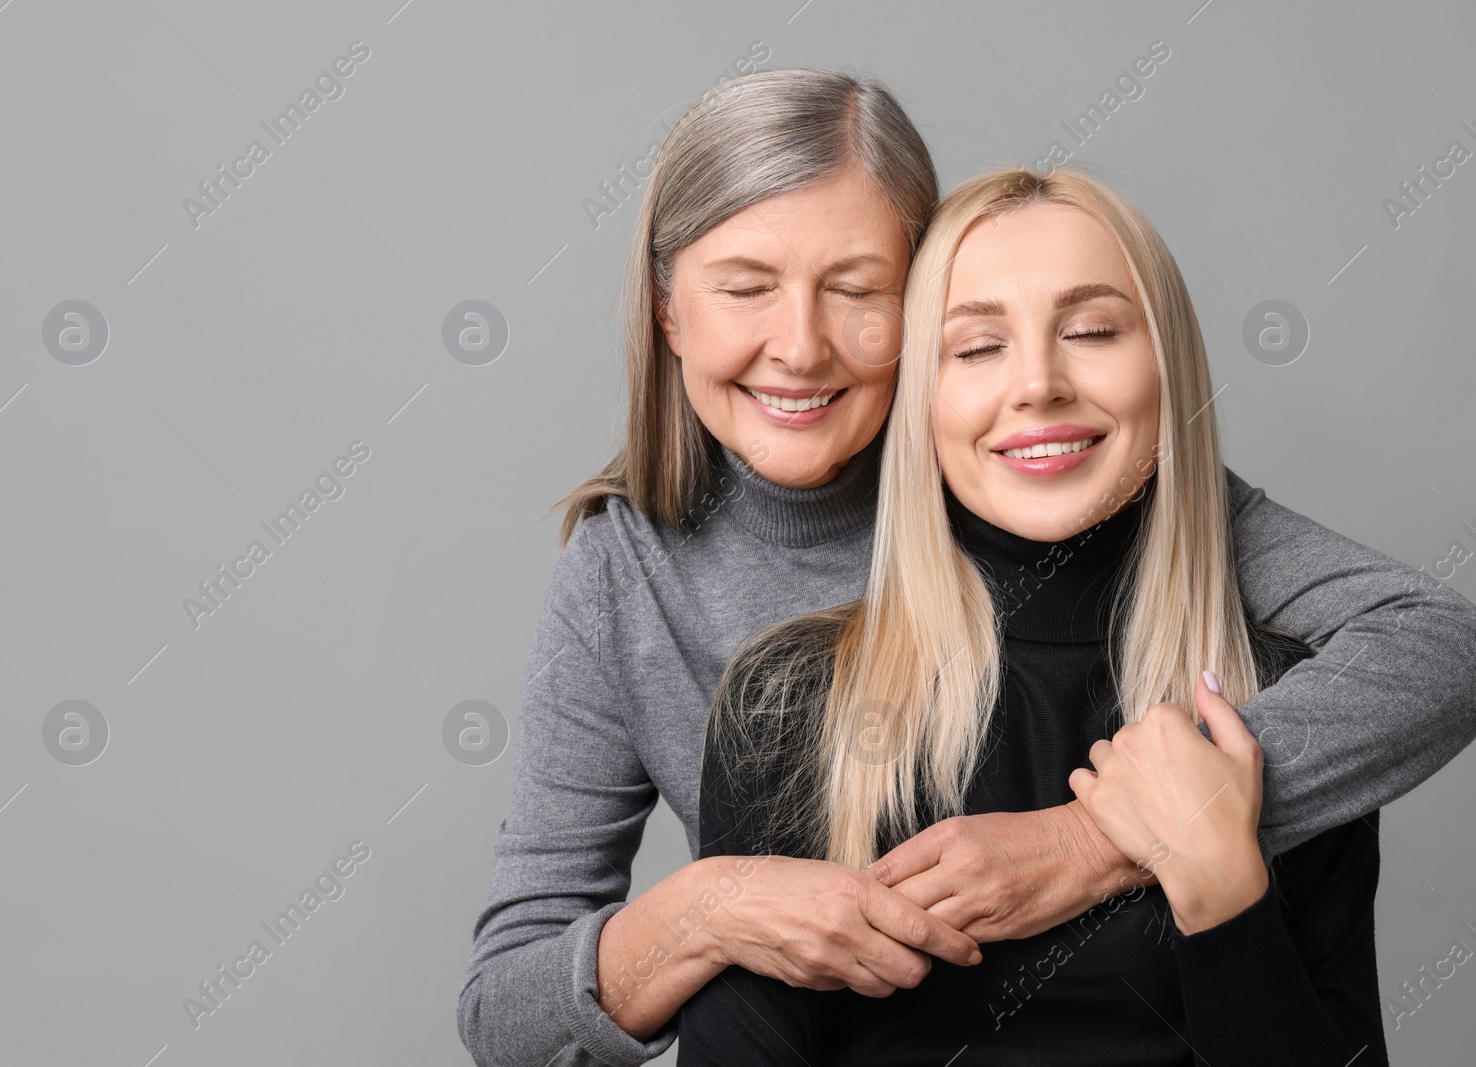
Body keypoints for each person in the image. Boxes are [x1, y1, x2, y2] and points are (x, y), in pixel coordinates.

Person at [457, 69, 1476, 1067]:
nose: (800, 348)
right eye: (744, 288)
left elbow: (1434, 644)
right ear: (669, 310)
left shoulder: (1068, 476)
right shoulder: (655, 594)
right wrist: (712, 907)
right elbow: (509, 1016)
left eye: (857, 290)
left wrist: (1101, 839)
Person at [677, 167, 1388, 1065]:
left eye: (1091, 331)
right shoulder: (786, 704)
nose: (1039, 384)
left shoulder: (1280, 706)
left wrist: (1221, 892)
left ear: (1170, 369)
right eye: (976, 348)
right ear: (919, 400)